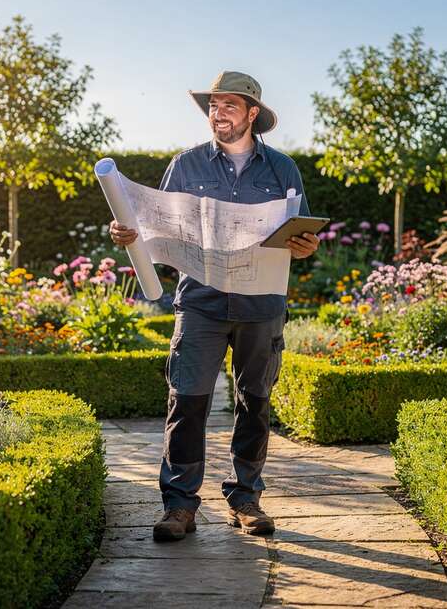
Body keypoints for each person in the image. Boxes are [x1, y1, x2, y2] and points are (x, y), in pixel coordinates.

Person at [109, 71, 320, 541]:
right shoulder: (185, 165)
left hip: (260, 304)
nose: (217, 113)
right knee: (186, 401)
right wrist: (129, 233)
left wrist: (305, 246)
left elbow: (297, 236)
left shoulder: (283, 169)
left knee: (256, 402)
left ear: (252, 115)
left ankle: (246, 497)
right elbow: (156, 228)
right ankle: (179, 505)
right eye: (212, 106)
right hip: (201, 303)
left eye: (228, 105)